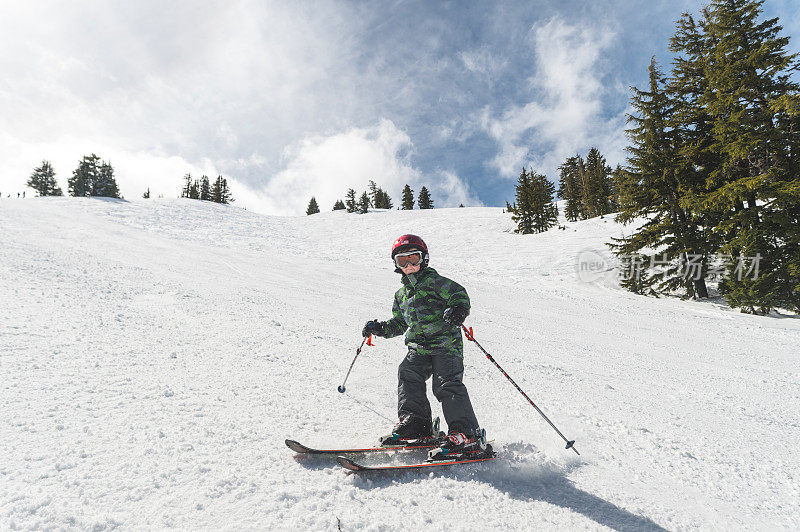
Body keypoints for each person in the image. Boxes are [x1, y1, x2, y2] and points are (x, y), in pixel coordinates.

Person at [362, 234, 487, 459]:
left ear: (424, 259)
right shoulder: (401, 295)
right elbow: (400, 323)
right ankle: (417, 424)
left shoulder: (435, 282)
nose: (409, 265)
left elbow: (460, 295)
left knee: (446, 384)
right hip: (418, 348)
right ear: (396, 265)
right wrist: (380, 329)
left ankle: (466, 434)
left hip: (445, 345)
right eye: (403, 261)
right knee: (407, 373)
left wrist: (458, 310)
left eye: (414, 259)